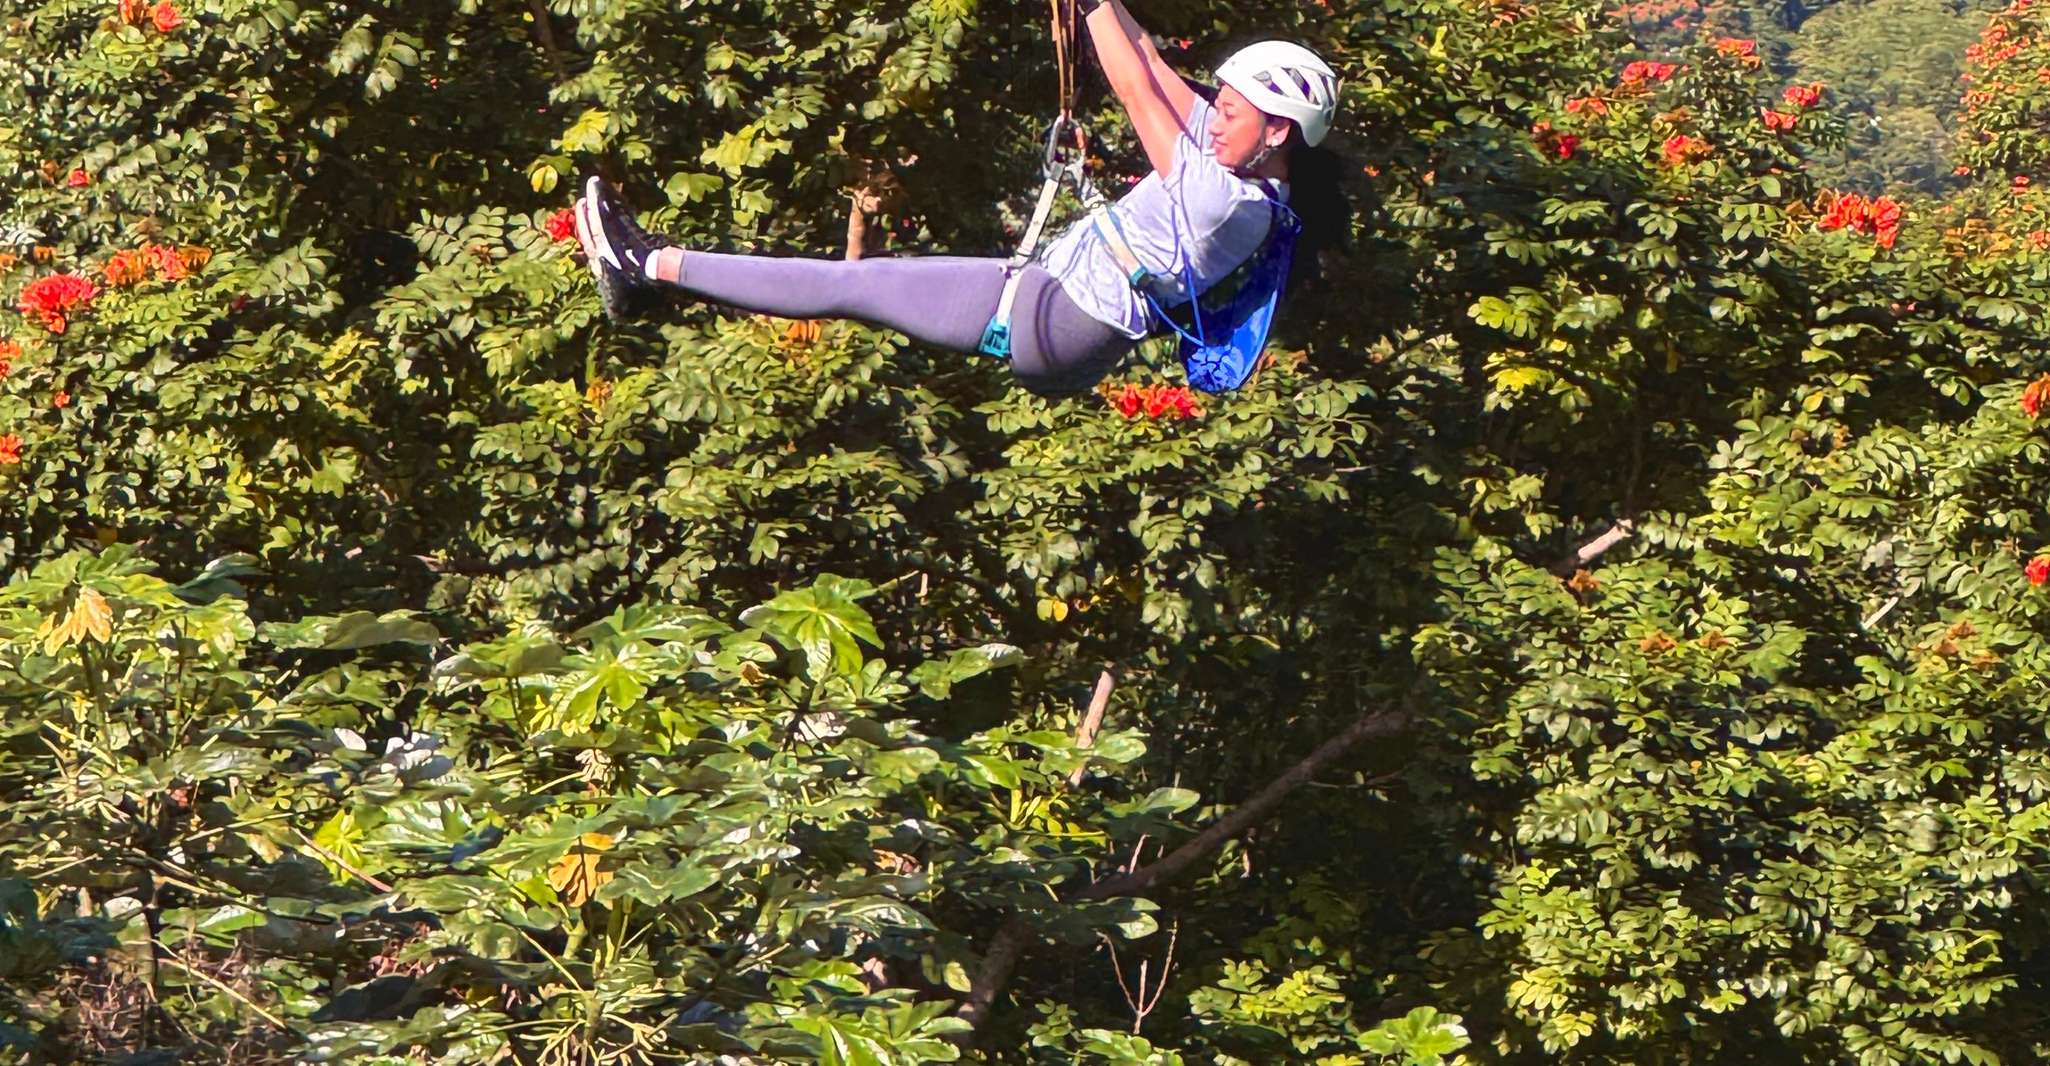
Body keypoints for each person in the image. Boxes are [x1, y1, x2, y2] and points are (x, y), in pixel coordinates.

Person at [573, 0, 1342, 395]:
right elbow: (1150, 59)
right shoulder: (1242, 160)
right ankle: (649, 271)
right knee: (854, 287)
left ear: (1277, 132)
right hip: (1066, 316)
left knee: (850, 286)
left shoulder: (1226, 201)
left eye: (1232, 114)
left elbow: (1137, 87)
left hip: (1062, 322)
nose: (1215, 121)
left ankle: (642, 265)